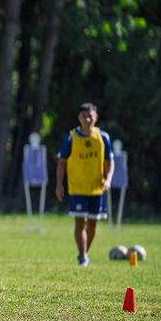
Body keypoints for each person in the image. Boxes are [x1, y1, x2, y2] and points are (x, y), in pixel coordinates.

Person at [55, 103, 114, 267]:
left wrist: (108, 179)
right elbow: (61, 162)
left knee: (93, 224)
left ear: (96, 118)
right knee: (80, 222)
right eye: (84, 116)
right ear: (79, 118)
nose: (87, 119)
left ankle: (85, 252)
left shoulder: (103, 137)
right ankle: (82, 256)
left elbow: (109, 161)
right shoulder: (71, 138)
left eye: (90, 116)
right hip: (77, 187)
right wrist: (59, 184)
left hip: (97, 188)